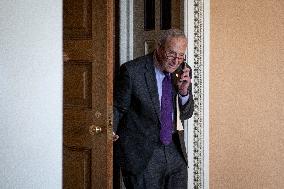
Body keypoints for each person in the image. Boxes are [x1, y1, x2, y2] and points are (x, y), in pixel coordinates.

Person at [113, 29, 194, 189]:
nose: (175, 61)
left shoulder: (182, 70)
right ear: (159, 47)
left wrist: (184, 92)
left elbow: (186, 113)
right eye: (171, 54)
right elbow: (117, 109)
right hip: (142, 157)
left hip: (175, 151)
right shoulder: (132, 71)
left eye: (181, 55)